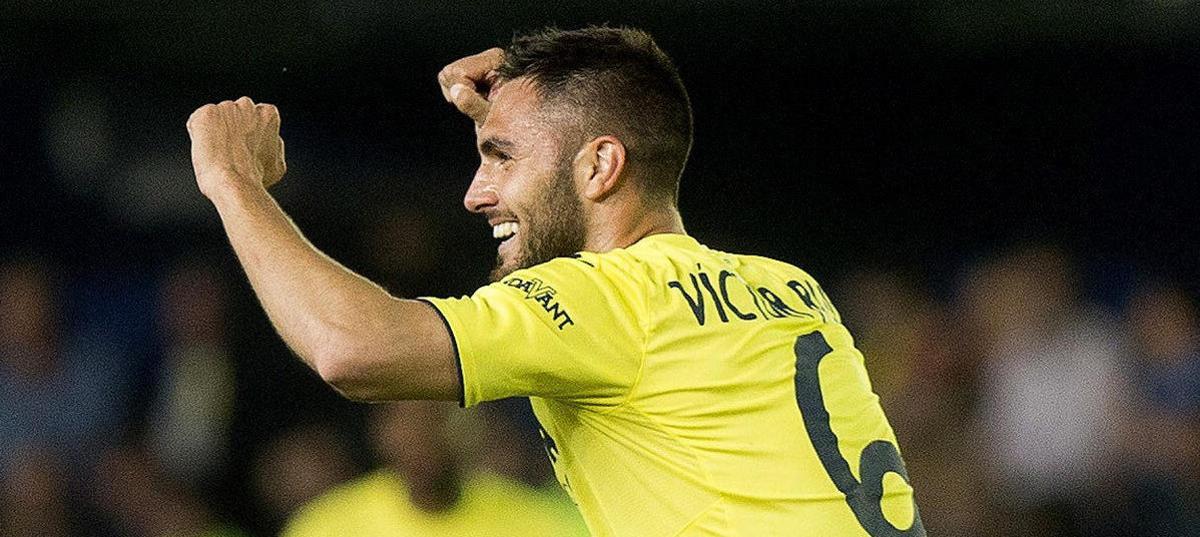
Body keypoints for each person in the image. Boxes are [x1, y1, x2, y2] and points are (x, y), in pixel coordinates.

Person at [186, 26, 924, 536]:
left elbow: (352, 348)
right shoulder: (789, 286)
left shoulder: (605, 297)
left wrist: (232, 182)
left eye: (500, 159)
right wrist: (528, 116)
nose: (475, 194)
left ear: (601, 167)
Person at [281, 401, 588, 537]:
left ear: (471, 430)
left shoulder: (541, 522)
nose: (421, 439)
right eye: (409, 424)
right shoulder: (325, 527)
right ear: (382, 433)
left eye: (436, 421)